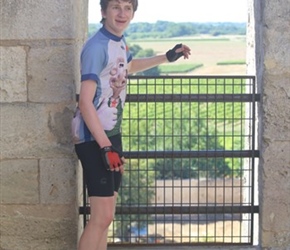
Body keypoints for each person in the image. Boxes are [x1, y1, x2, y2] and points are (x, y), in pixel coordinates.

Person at [72, 0, 191, 249]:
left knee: (106, 217)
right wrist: (106, 147)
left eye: (128, 7)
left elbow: (130, 65)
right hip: (94, 138)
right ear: (103, 11)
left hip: (111, 135)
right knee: (101, 217)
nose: (122, 13)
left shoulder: (119, 42)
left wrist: (167, 58)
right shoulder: (97, 47)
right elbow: (85, 102)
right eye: (115, 6)